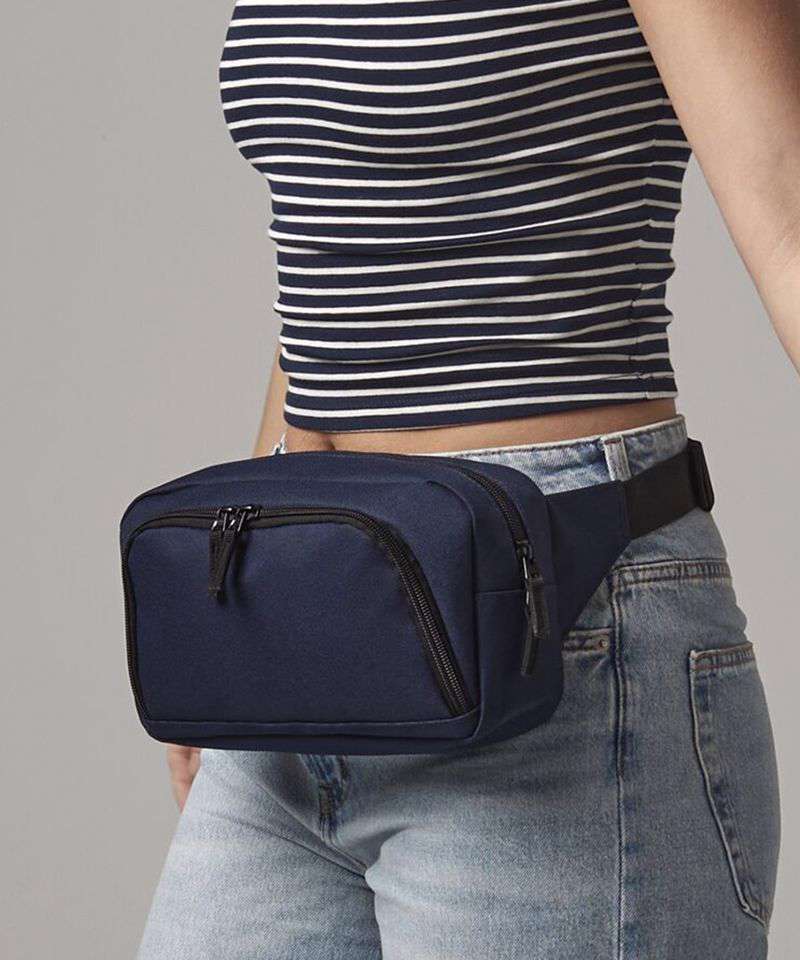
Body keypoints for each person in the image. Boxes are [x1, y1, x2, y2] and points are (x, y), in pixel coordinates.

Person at [138, 1, 798, 956]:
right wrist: (249, 597)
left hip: (556, 616)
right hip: (320, 605)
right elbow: (338, 278)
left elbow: (787, 220)